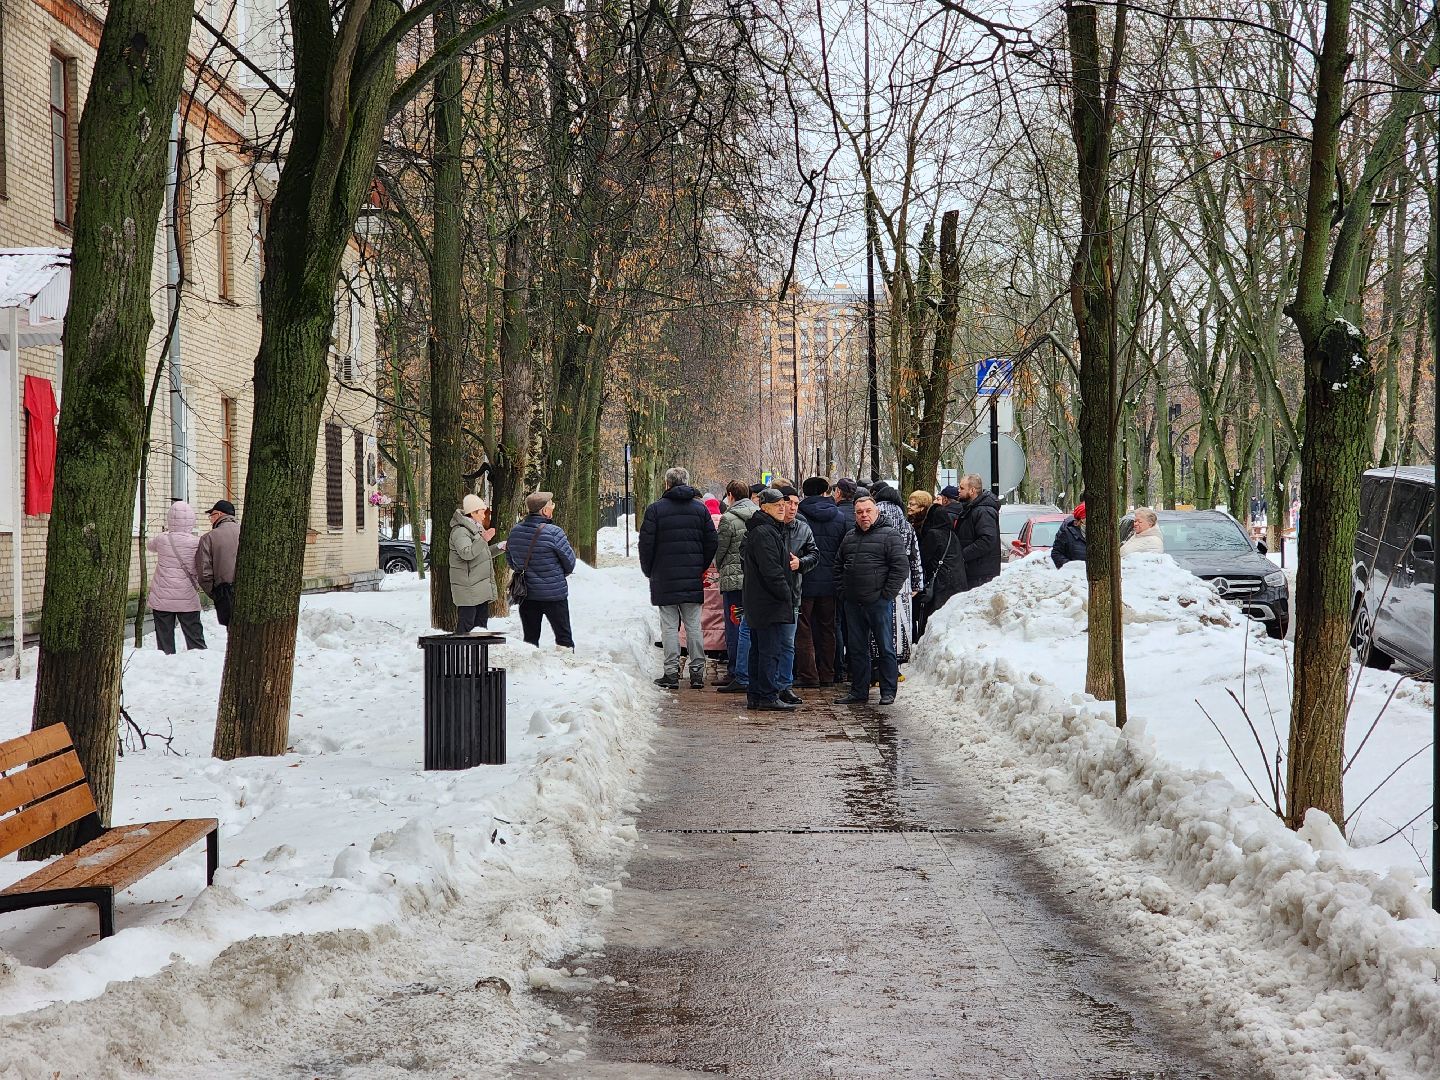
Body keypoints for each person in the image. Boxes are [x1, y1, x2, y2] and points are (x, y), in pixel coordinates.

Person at [639, 467, 719, 690]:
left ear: (667, 484)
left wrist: (650, 570)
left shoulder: (655, 510)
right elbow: (712, 541)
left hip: (664, 577)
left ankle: (671, 673)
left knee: (669, 627)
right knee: (694, 626)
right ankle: (697, 673)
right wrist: (699, 566)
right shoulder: (700, 510)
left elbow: (645, 545)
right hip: (692, 577)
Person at [834, 495, 909, 706]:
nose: (864, 515)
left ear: (876, 512)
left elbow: (900, 567)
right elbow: (838, 566)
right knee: (857, 649)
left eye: (868, 511)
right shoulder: (849, 537)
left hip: (878, 602)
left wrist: (886, 594)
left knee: (885, 647)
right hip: (853, 603)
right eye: (859, 512)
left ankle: (888, 691)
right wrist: (843, 592)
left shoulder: (889, 535)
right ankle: (859, 690)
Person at [741, 489, 799, 711]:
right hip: (768, 601)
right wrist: (786, 594)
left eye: (783, 504)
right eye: (777, 505)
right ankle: (766, 695)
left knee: (760, 650)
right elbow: (772, 570)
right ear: (764, 507)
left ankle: (757, 694)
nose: (782, 507)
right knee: (768, 650)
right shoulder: (765, 532)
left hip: (761, 600)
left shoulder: (766, 529)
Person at [507, 491, 577, 648]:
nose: (553, 507)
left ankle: (531, 670)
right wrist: (557, 574)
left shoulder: (515, 531)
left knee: (530, 639)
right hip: (554, 595)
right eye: (551, 505)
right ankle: (566, 667)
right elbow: (570, 563)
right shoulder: (554, 532)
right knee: (563, 637)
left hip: (527, 594)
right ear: (545, 511)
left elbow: (512, 562)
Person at [795, 477, 845, 688]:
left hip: (805, 578)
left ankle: (808, 675)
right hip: (830, 581)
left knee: (803, 627)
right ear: (826, 491)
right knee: (828, 628)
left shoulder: (799, 516)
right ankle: (827, 673)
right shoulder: (840, 517)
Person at [868, 482, 922, 669]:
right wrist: (917, 583)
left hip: (877, 574)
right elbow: (915, 556)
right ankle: (896, 664)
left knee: (879, 620)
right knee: (900, 621)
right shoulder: (906, 523)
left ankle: (876, 663)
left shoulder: (874, 516)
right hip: (902, 578)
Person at [775, 481, 819, 704]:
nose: (793, 508)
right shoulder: (768, 526)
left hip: (792, 593)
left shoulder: (802, 527)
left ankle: (785, 685)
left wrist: (800, 563)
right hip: (767, 595)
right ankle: (767, 683)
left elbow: (814, 554)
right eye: (789, 503)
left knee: (788, 642)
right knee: (767, 642)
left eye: (796, 504)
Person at [714, 480, 757, 690]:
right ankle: (750, 668)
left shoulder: (728, 519)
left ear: (730, 495)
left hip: (733, 581)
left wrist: (721, 567)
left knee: (735, 626)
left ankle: (735, 670)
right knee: (750, 626)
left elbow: (720, 551)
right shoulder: (759, 514)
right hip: (754, 580)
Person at [148, 500, 206, 653]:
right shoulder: (197, 542)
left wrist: (166, 532)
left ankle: (166, 662)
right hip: (186, 596)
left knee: (164, 637)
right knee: (194, 636)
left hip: (162, 597)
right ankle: (199, 663)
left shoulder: (162, 539)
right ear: (191, 521)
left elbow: (150, 546)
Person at [915, 496, 967, 640]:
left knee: (934, 620)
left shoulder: (933, 534)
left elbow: (923, 559)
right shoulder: (952, 534)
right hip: (957, 582)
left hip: (941, 584)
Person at [449, 494, 498, 633]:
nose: (484, 516)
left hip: (478, 588)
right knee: (467, 625)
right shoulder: (460, 531)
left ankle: (478, 654)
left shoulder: (477, 530)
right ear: (473, 512)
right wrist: (484, 539)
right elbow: (467, 553)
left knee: (480, 626)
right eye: (482, 512)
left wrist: (499, 547)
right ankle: (459, 653)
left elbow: (481, 553)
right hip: (468, 589)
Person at [953, 474, 1002, 590]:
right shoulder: (971, 508)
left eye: (961, 488)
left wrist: (962, 555)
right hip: (974, 571)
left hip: (980, 574)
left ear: (972, 490)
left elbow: (987, 540)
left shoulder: (983, 510)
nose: (958, 491)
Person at [196, 499, 239, 627]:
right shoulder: (249, 533)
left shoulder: (209, 538)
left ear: (219, 514)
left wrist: (215, 593)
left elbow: (204, 572)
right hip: (250, 589)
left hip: (224, 591)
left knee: (231, 629)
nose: (211, 520)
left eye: (211, 516)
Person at [1052, 501, 1088, 568]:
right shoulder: (1067, 534)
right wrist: (1070, 566)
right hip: (1074, 577)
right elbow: (1056, 553)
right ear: (1082, 519)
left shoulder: (1103, 535)